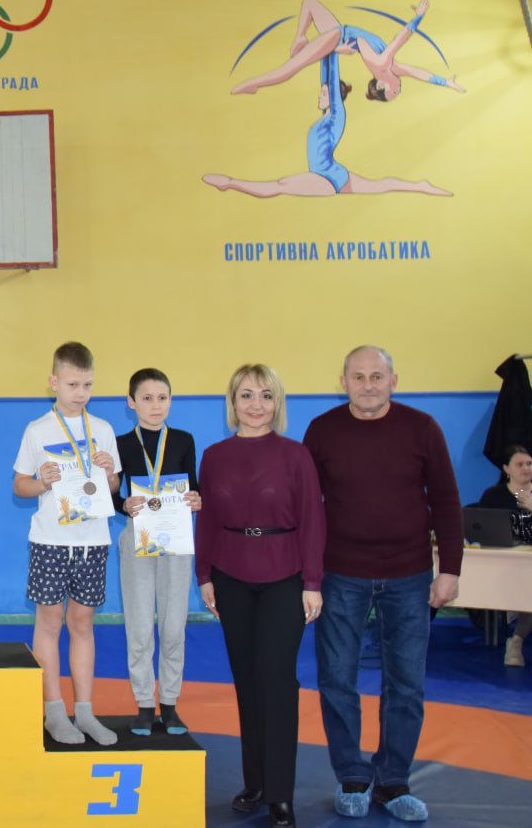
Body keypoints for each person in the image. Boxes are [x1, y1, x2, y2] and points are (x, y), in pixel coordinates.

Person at [304, 345, 463, 822]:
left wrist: (450, 568)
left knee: (406, 682)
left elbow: (446, 500)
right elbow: (307, 507)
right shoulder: (322, 431)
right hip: (340, 574)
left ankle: (393, 781)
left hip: (409, 575)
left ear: (394, 380)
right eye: (358, 376)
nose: (368, 385)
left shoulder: (422, 428)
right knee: (337, 678)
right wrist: (308, 574)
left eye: (377, 376)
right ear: (343, 382)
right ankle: (352, 777)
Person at [196, 364, 325, 828]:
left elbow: (313, 520)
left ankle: (280, 794)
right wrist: (204, 575)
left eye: (266, 395)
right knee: (247, 682)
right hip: (230, 577)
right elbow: (208, 520)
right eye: (247, 395)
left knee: (276, 681)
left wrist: (313, 582)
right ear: (233, 402)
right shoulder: (214, 456)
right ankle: (254, 783)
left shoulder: (296, 455)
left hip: (284, 578)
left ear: (277, 403)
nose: (256, 404)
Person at [13, 342, 121, 746]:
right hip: (50, 541)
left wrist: (110, 475)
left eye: (87, 385)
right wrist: (42, 482)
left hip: (93, 540)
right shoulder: (37, 430)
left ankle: (86, 711)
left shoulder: (103, 430)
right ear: (54, 382)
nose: (81, 393)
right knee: (49, 623)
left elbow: (112, 487)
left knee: (82, 624)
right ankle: (55, 711)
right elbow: (20, 485)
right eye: (73, 384)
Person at [204, 51, 450, 198]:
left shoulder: (336, 115)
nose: (319, 96)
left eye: (323, 93)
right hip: (334, 173)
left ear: (332, 97)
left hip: (326, 178)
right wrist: (324, 52)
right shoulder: (326, 116)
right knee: (381, 185)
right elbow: (325, 75)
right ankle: (420, 186)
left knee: (279, 186)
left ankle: (230, 183)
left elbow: (331, 77)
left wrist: (332, 50)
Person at [114, 369, 201, 737]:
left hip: (176, 538)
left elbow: (193, 485)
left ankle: (170, 703)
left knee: (173, 625)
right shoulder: (121, 443)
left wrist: (196, 499)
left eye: (162, 398)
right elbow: (111, 495)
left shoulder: (182, 440)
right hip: (138, 535)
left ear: (171, 400)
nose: (155, 405)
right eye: (147, 398)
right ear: (131, 402)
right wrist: (123, 504)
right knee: (138, 624)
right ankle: (144, 704)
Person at [232, 0, 463, 101]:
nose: (398, 91)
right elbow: (420, 73)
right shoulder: (391, 68)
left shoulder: (382, 65)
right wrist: (446, 83)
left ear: (381, 84)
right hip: (339, 32)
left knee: (290, 69)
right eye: (396, 94)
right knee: (309, 3)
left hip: (336, 37)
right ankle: (300, 38)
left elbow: (398, 40)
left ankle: (251, 85)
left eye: (393, 93)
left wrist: (418, 18)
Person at [475, 444, 532, 667]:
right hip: (500, 562)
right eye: (520, 464)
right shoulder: (494, 496)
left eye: (529, 463)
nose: (526, 468)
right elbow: (479, 529)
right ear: (507, 469)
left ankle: (516, 640)